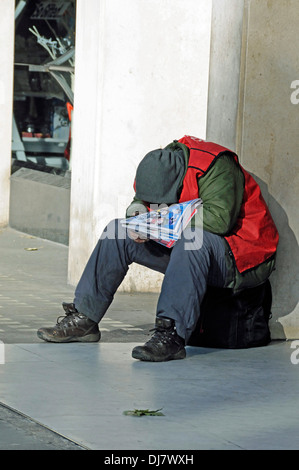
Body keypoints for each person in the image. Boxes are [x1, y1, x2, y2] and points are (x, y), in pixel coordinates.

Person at [37, 135, 279, 362]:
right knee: (118, 231)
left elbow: (219, 220)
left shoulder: (217, 167)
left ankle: (170, 334)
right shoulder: (157, 168)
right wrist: (138, 220)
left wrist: (161, 222)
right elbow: (137, 204)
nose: (155, 206)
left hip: (241, 258)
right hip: (187, 246)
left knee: (193, 239)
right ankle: (84, 318)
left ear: (176, 183)